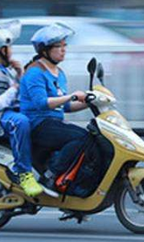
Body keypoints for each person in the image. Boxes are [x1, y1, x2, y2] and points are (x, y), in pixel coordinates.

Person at [0, 20, 44, 197]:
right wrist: (14, 88)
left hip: (5, 115)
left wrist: (20, 74)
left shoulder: (4, 70)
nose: (12, 52)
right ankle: (23, 174)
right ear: (2, 50)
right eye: (9, 48)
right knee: (20, 122)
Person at [19, 23, 89, 195]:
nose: (63, 50)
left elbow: (65, 106)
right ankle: (51, 176)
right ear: (44, 50)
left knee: (93, 138)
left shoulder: (59, 73)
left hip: (53, 122)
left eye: (65, 46)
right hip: (38, 124)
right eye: (58, 46)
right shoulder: (35, 72)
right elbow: (41, 103)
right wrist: (71, 96)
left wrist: (90, 101)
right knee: (83, 138)